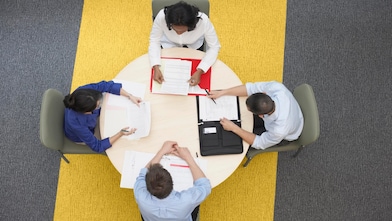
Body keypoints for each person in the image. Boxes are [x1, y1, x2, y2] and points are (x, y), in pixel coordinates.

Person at [208, 81, 304, 150]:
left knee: (237, 141)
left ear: (261, 116)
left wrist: (234, 128)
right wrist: (223, 92)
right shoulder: (276, 88)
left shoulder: (278, 131)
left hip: (289, 133)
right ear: (264, 93)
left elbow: (259, 143)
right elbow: (250, 88)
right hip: (292, 113)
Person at [134, 141, 211, 221]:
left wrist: (161, 152)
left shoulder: (140, 195)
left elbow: (142, 175)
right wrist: (188, 157)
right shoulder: (187, 200)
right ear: (172, 182)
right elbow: (205, 186)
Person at [149, 1, 221, 86]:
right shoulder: (161, 17)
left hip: (194, 46)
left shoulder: (203, 21)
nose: (179, 34)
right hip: (169, 44)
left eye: (183, 31)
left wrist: (201, 70)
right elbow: (154, 40)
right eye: (175, 30)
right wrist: (155, 66)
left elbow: (214, 47)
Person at [63, 80, 142, 153]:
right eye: (97, 106)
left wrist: (129, 96)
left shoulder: (84, 92)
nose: (100, 104)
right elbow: (98, 146)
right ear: (87, 112)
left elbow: (106, 85)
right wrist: (120, 134)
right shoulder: (76, 123)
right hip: (85, 133)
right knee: (121, 145)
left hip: (93, 118)